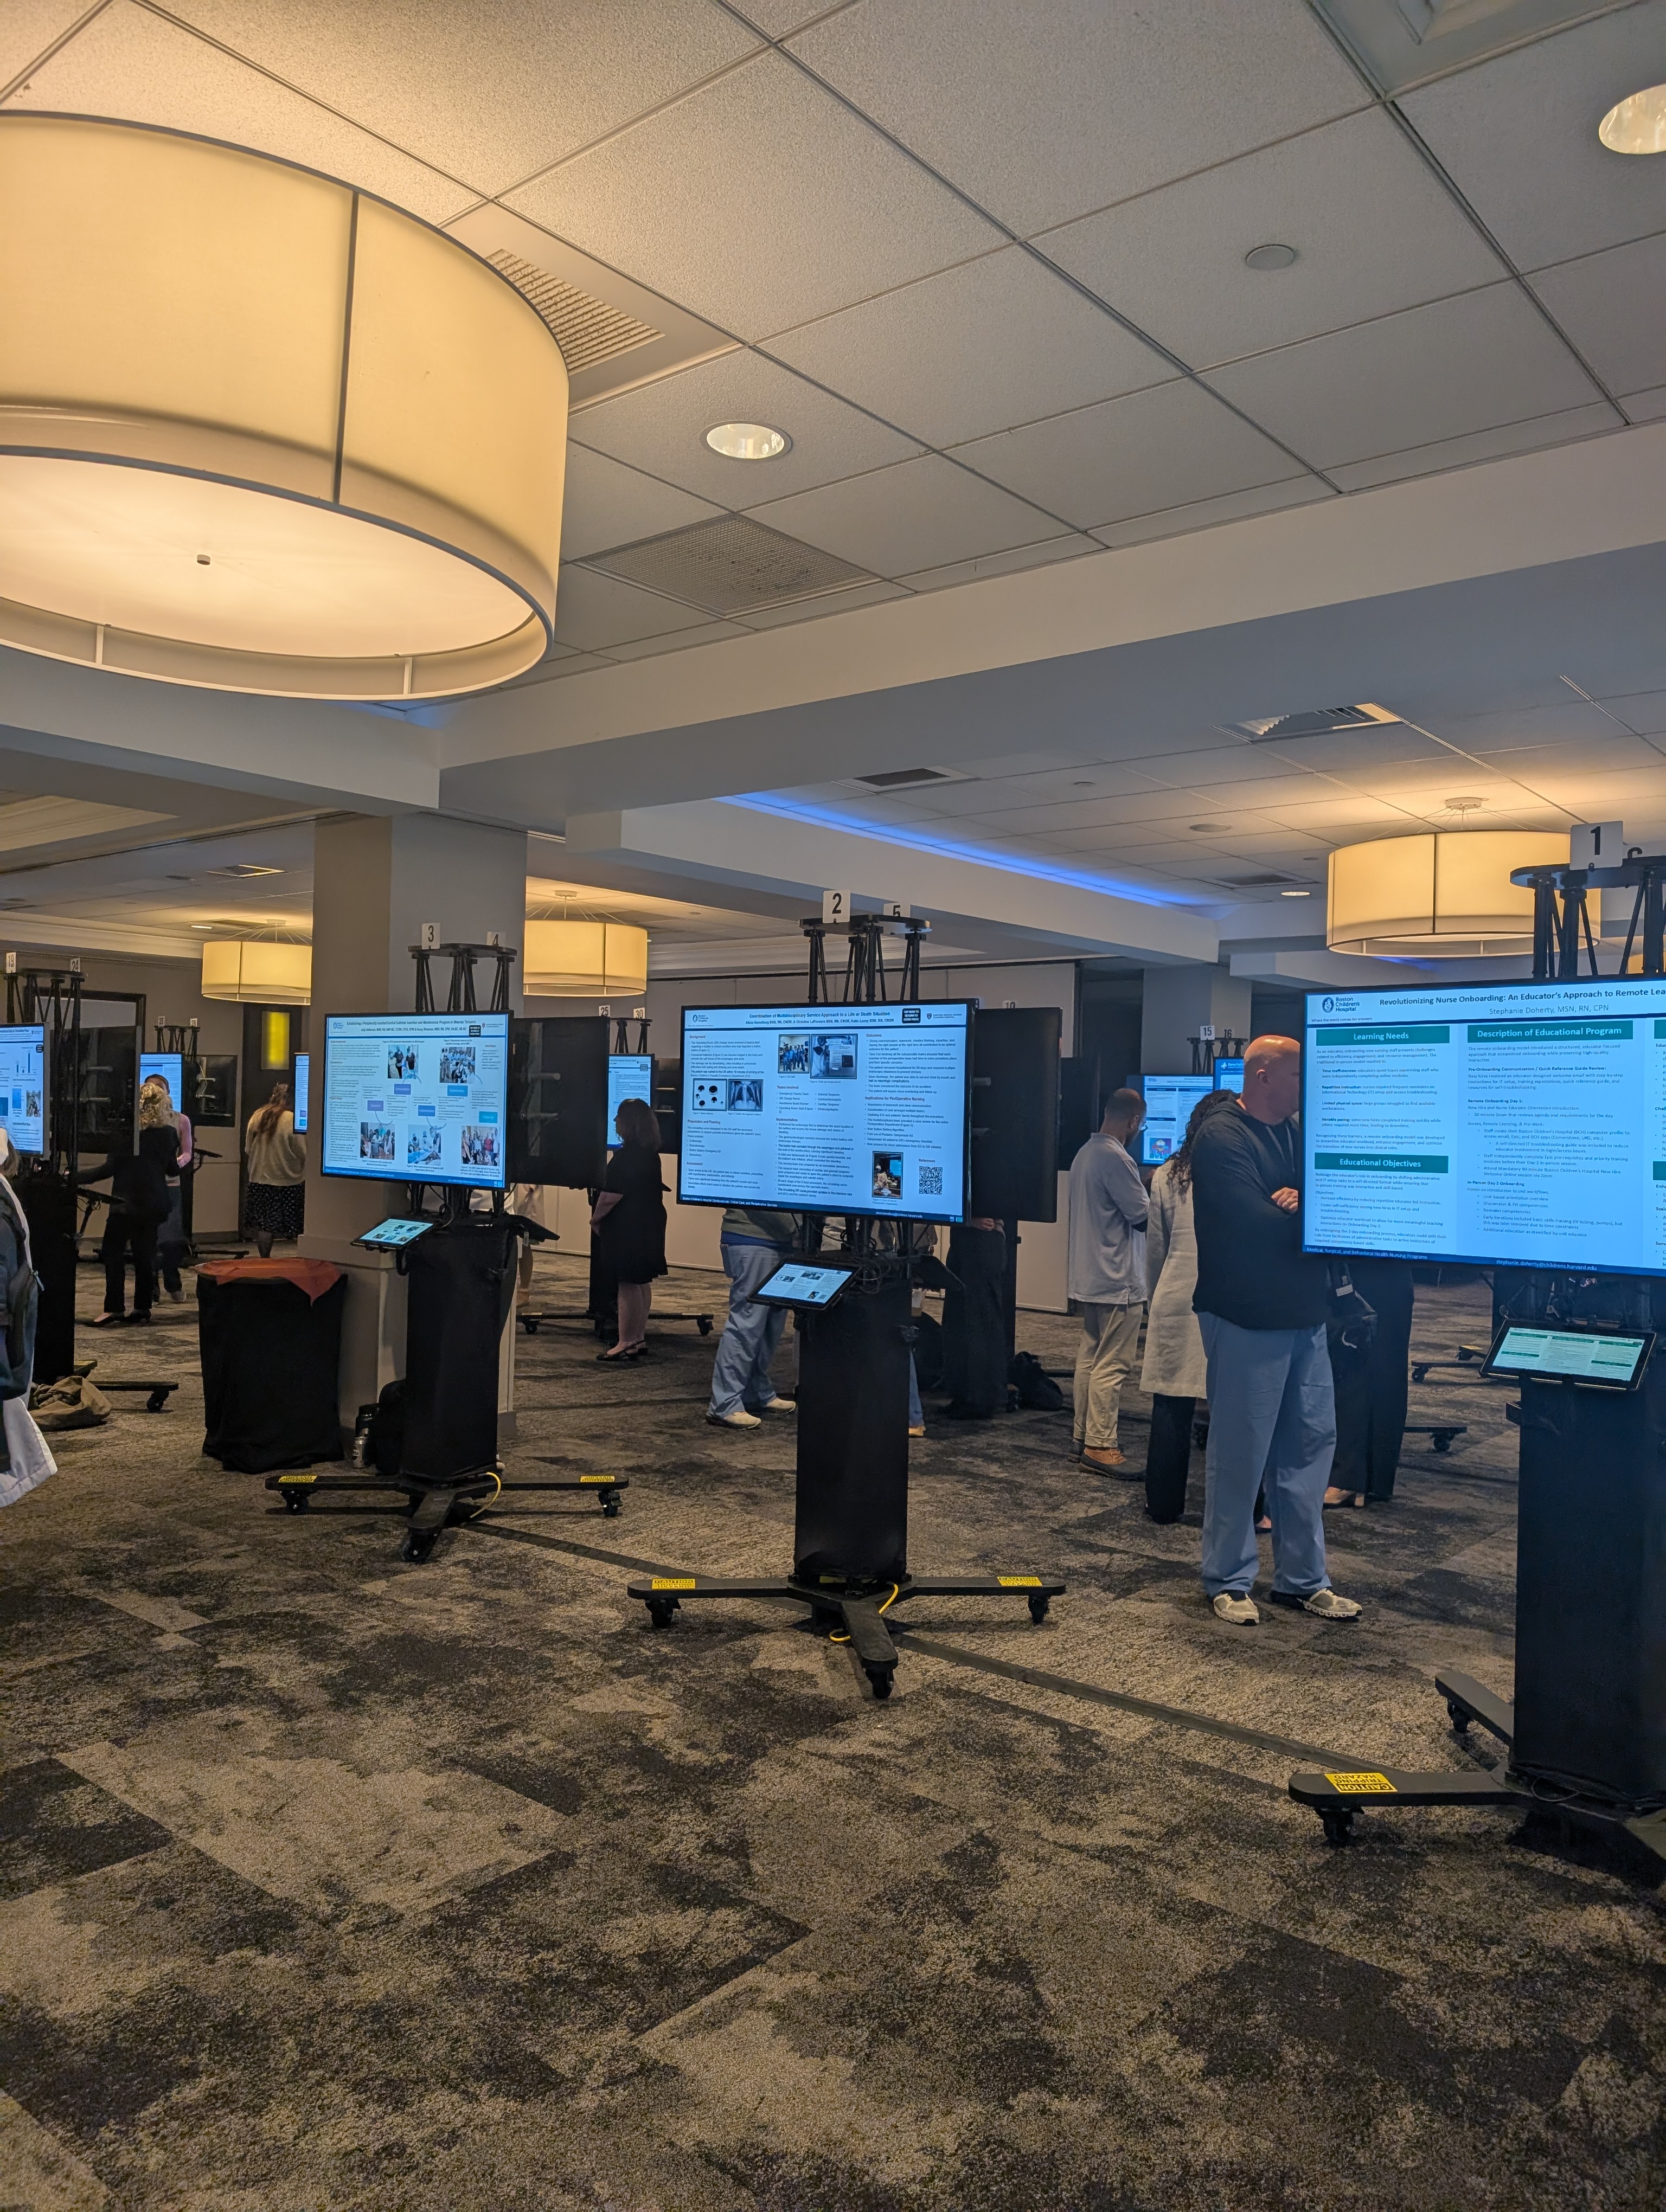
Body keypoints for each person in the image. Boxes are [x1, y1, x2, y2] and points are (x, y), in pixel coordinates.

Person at [1189, 1035, 1361, 1626]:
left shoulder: (1296, 1132)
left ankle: (1302, 1579)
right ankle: (1228, 1578)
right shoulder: (1221, 1137)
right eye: (1296, 1076)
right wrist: (1300, 1212)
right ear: (1262, 1075)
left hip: (1304, 1316)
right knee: (1241, 1452)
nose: (1304, 1088)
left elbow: (1342, 1200)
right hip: (1246, 1316)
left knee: (1309, 1447)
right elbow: (1253, 1223)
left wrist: (1307, 1203)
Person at [1139, 1089, 1240, 1523]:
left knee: (1171, 1407)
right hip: (1230, 1298)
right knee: (1237, 1413)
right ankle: (1242, 1511)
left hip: (1176, 1296)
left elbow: (1156, 1246)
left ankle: (1162, 1506)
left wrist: (1154, 1297)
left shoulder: (1167, 1175)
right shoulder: (1243, 1170)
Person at [1067, 1087, 1149, 1472]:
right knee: (1113, 1365)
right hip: (1118, 1279)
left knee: (1090, 1357)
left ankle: (1082, 1436)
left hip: (1090, 1275)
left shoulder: (1086, 1153)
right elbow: (1143, 1217)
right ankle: (1101, 1445)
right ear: (1134, 1121)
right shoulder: (1117, 1159)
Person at [78, 1086, 177, 1324]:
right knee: (145, 1256)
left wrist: (74, 1177)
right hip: (154, 1204)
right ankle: (142, 1308)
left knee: (113, 1255)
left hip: (125, 1204)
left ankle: (114, 1308)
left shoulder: (125, 1136)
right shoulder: (169, 1134)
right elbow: (172, 1170)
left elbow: (107, 1170)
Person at [1325, 1256, 1415, 1507]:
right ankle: (1354, 1476)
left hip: (1376, 1256)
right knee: (1350, 1364)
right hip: (1353, 1258)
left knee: (1367, 1364)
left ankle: (1353, 1478)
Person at [707, 1205, 799, 1429]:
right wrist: (797, 1229)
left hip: (779, 1242)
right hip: (752, 1239)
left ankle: (755, 1391)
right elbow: (763, 1195)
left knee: (771, 1323)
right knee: (747, 1323)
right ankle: (724, 1404)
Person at [591, 1097, 666, 1361]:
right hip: (649, 1225)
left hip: (627, 1228)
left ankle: (625, 1341)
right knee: (641, 1283)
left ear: (630, 1123)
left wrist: (596, 1220)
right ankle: (637, 1338)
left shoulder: (625, 1158)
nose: (615, 1122)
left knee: (626, 1285)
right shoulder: (650, 1155)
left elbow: (611, 1195)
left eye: (619, 1117)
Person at [145, 1075, 193, 1302]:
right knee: (149, 1239)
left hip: (171, 1184)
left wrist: (176, 1165)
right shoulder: (141, 1121)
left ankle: (173, 1283)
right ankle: (151, 1287)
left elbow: (187, 1152)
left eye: (161, 1088)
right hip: (148, 1184)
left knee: (171, 1239)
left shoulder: (180, 1120)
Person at [244, 1082, 305, 1258]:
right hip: (288, 1180)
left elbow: (248, 1149)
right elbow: (303, 1151)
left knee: (264, 1225)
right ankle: (299, 1260)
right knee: (297, 1224)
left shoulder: (257, 1116)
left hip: (260, 1179)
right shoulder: (293, 1119)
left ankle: (264, 1260)